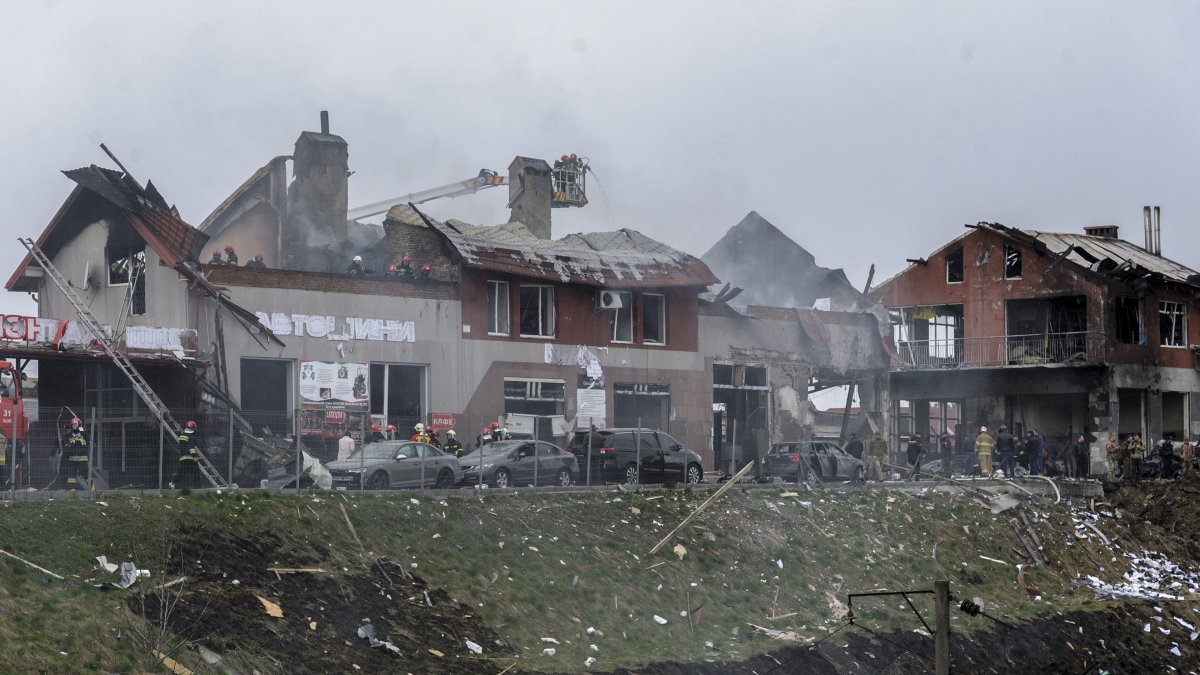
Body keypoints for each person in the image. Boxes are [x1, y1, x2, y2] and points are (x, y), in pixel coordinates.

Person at [171, 421, 203, 489]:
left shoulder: (182, 435)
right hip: (190, 458)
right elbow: (191, 448)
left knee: (181, 472)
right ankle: (198, 488)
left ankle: (172, 482)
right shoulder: (191, 436)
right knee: (196, 473)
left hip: (183, 457)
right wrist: (194, 457)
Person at [63, 416, 89, 489]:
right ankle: (71, 491)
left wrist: (75, 442)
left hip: (82, 459)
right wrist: (69, 444)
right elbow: (66, 444)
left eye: (75, 425)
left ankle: (93, 491)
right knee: (71, 477)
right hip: (72, 459)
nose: (74, 427)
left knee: (86, 476)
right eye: (73, 425)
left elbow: (87, 442)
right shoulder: (69, 433)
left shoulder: (84, 433)